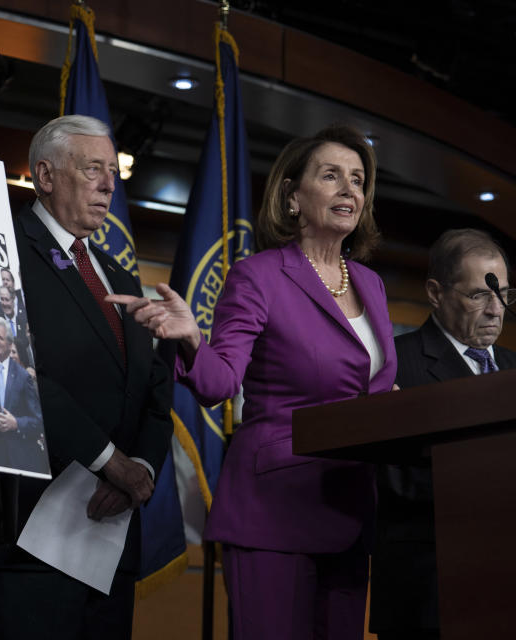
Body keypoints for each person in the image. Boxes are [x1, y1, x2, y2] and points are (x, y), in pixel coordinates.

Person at [111, 124, 397, 640]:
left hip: (350, 506)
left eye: (357, 180)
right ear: (292, 196)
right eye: (331, 176)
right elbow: (221, 381)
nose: (349, 190)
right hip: (276, 510)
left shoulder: (373, 286)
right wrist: (192, 340)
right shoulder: (259, 276)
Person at [0, 115, 173, 640]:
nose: (110, 184)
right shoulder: (3, 250)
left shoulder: (118, 274)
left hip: (111, 539)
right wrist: (108, 462)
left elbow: (155, 389)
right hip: (30, 534)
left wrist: (141, 469)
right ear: (45, 176)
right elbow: (16, 370)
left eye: (113, 171)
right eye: (93, 168)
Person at [371, 229, 516, 640]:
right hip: (427, 594)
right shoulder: (396, 366)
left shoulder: (513, 369)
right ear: (435, 293)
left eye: (504, 294)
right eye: (479, 295)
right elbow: (394, 480)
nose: (496, 309)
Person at [0, 317, 43, 472]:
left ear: (9, 343)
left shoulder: (22, 376)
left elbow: (37, 421)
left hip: (21, 456)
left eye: (0, 337)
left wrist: (16, 423)